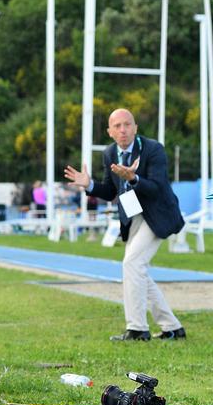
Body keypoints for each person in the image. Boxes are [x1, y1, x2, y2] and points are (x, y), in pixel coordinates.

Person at [64, 108, 186, 341]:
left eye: (127, 124)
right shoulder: (110, 153)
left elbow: (158, 188)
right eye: (117, 126)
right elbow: (111, 191)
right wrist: (89, 185)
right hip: (132, 216)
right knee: (137, 270)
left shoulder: (153, 149)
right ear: (109, 131)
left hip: (159, 214)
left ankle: (137, 329)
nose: (123, 130)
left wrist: (134, 178)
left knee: (132, 264)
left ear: (135, 128)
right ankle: (172, 327)